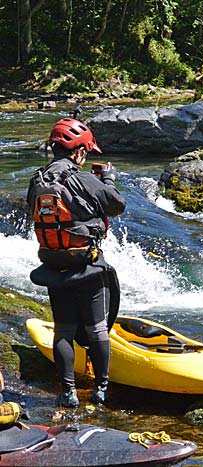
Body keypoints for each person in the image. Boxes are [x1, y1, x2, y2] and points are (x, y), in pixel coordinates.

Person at [26, 117, 125, 407]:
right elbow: (116, 205)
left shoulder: (37, 181)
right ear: (79, 151)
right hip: (87, 266)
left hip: (53, 266)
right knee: (96, 329)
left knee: (63, 329)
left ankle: (68, 392)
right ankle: (101, 389)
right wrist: (107, 179)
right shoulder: (83, 179)